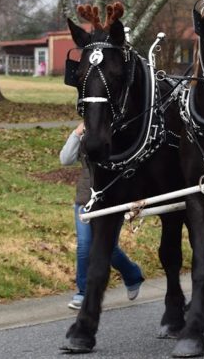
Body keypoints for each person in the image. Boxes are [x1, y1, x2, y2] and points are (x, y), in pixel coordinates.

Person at [60, 122, 144, 310]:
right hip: (86, 200)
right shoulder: (86, 134)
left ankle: (132, 275)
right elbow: (65, 159)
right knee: (84, 247)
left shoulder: (120, 133)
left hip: (112, 201)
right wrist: (76, 133)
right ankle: (83, 292)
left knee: (108, 249)